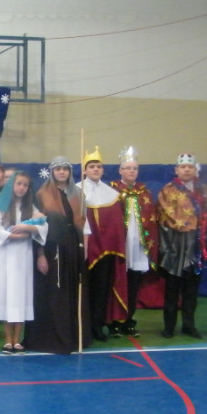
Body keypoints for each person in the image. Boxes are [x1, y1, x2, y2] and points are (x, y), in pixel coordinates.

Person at [25, 156, 92, 355]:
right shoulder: (42, 194)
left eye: (65, 169)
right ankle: (52, 336)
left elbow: (83, 224)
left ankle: (75, 336)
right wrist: (40, 255)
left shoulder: (78, 194)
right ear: (52, 172)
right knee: (54, 292)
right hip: (50, 248)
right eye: (58, 169)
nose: (62, 172)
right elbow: (37, 227)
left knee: (73, 290)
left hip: (73, 247)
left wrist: (84, 248)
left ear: (69, 172)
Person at [157, 153, 207, 338]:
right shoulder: (168, 190)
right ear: (176, 170)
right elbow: (163, 219)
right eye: (183, 167)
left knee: (191, 290)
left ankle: (189, 325)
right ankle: (169, 327)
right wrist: (166, 249)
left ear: (196, 169)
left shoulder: (205, 191)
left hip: (197, 248)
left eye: (190, 167)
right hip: (176, 249)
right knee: (172, 290)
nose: (186, 170)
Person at [0, 171, 47, 354]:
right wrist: (14, 236)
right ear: (12, 185)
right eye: (19, 184)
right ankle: (8, 339)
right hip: (4, 256)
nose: (22, 188)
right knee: (6, 294)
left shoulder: (30, 207)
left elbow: (43, 224)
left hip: (22, 257)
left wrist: (25, 227)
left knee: (20, 295)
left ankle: (17, 339)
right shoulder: (1, 206)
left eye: (25, 185)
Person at [78, 146, 128, 342]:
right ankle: (82, 326)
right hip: (84, 250)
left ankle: (97, 325)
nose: (96, 169)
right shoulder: (76, 191)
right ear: (85, 170)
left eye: (99, 166)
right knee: (83, 290)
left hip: (105, 253)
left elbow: (115, 227)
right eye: (92, 166)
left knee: (101, 290)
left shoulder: (112, 194)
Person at [109, 147, 159, 337]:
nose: (131, 171)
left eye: (135, 168)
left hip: (138, 246)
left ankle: (129, 320)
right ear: (120, 170)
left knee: (133, 285)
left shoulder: (145, 193)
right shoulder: (112, 191)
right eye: (128, 168)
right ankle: (114, 322)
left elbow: (151, 221)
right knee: (117, 283)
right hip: (120, 246)